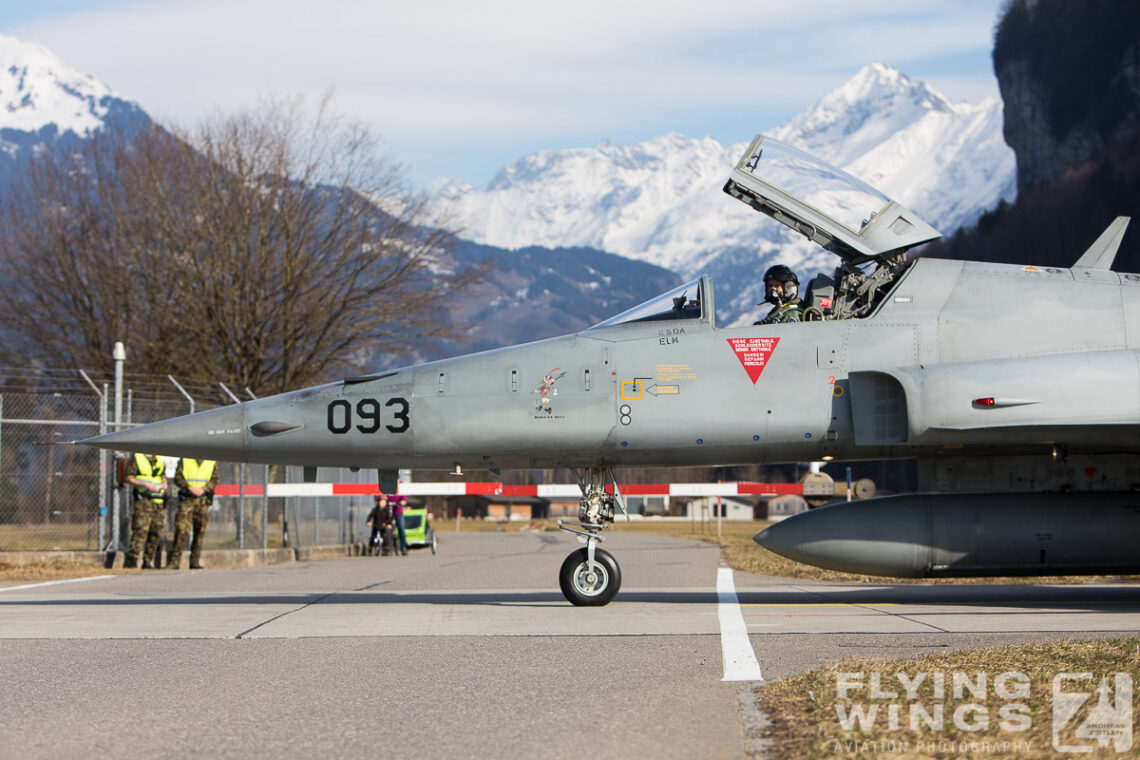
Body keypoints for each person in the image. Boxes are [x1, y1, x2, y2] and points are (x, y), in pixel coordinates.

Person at [169, 457, 217, 569]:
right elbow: (178, 477)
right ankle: (174, 562)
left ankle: (195, 561)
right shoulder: (185, 459)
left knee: (200, 532)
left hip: (203, 501)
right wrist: (189, 487)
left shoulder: (210, 461)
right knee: (182, 530)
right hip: (187, 501)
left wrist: (204, 489)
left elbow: (215, 479)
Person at [124, 452, 168, 569]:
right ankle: (132, 559)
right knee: (140, 529)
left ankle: (148, 561)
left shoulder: (158, 458)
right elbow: (128, 477)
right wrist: (144, 484)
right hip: (143, 500)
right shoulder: (137, 457)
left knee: (155, 530)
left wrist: (164, 483)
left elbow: (163, 475)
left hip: (158, 501)